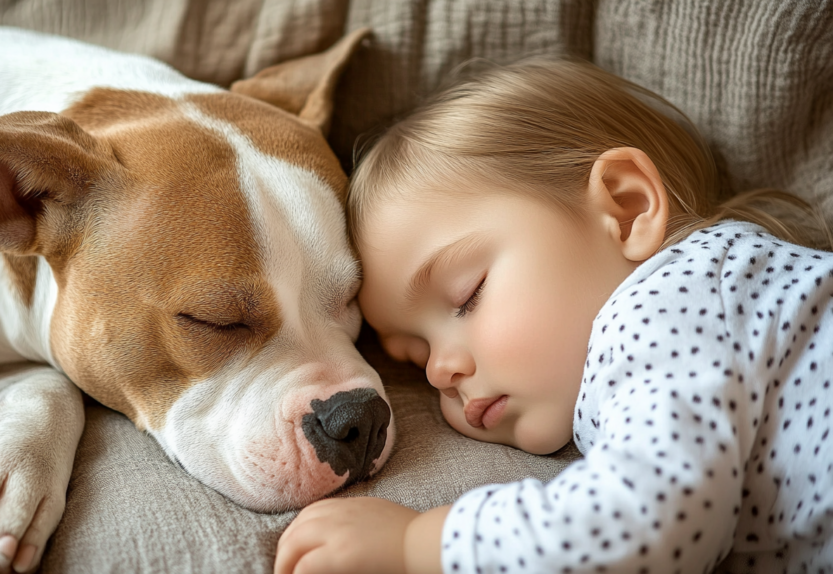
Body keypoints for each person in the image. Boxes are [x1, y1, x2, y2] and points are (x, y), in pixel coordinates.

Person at [273, 57, 833, 574]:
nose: (440, 371)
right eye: (414, 357)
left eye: (468, 296)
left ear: (626, 207)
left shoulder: (672, 299)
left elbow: (649, 523)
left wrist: (421, 545)